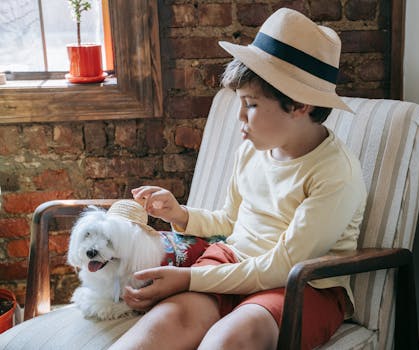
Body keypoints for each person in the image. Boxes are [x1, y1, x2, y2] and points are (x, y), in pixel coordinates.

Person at [109, 7, 367, 350]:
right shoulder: (253, 149)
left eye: (251, 104)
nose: (239, 116)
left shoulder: (336, 173)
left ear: (300, 104)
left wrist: (188, 278)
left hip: (303, 285)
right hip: (233, 259)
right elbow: (231, 220)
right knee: (161, 327)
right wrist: (178, 214)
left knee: (226, 340)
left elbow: (285, 265)